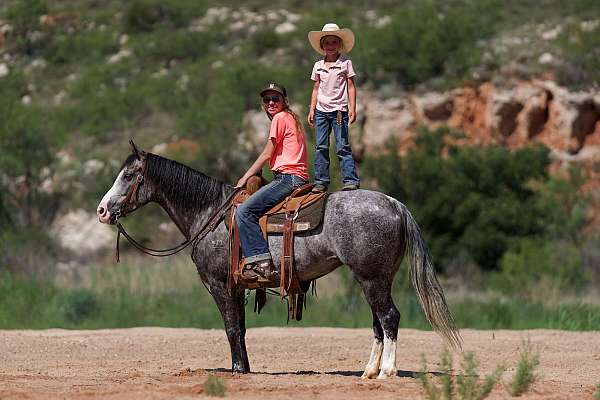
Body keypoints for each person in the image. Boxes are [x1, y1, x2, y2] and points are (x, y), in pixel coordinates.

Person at [235, 83, 309, 284]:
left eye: (275, 98)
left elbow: (267, 153)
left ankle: (261, 263)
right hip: (297, 177)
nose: (271, 103)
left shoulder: (279, 118)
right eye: (267, 99)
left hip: (288, 178)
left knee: (243, 212)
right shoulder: (291, 118)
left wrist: (244, 177)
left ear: (284, 101)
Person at [307, 23, 360, 193]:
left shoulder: (345, 63)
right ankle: (321, 181)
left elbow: (351, 86)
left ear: (339, 45)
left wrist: (352, 108)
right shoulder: (318, 66)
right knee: (321, 146)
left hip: (338, 110)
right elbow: (316, 88)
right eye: (327, 43)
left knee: (342, 145)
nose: (330, 46)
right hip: (322, 111)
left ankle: (350, 180)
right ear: (322, 46)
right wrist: (312, 108)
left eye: (334, 42)